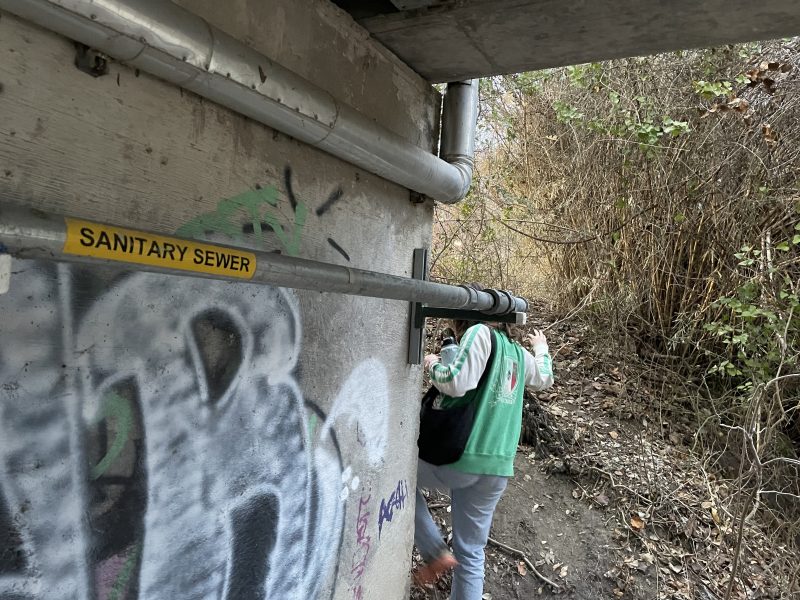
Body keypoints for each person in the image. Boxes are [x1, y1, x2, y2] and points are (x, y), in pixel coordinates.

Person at [413, 318, 554, 599]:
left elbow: (454, 382)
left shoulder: (479, 332)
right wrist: (541, 348)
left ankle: (433, 550)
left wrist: (431, 364)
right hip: (498, 468)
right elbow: (544, 378)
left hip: (463, 457)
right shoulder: (517, 351)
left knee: (397, 476)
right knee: (471, 553)